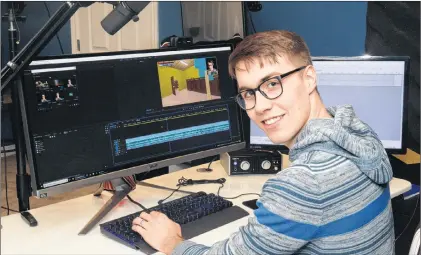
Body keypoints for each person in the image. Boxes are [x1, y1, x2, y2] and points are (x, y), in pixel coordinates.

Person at [131, 30, 395, 254]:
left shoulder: (305, 184)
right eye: (248, 93)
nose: (260, 106)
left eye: (272, 84)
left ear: (309, 78)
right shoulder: (357, 133)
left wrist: (172, 242)